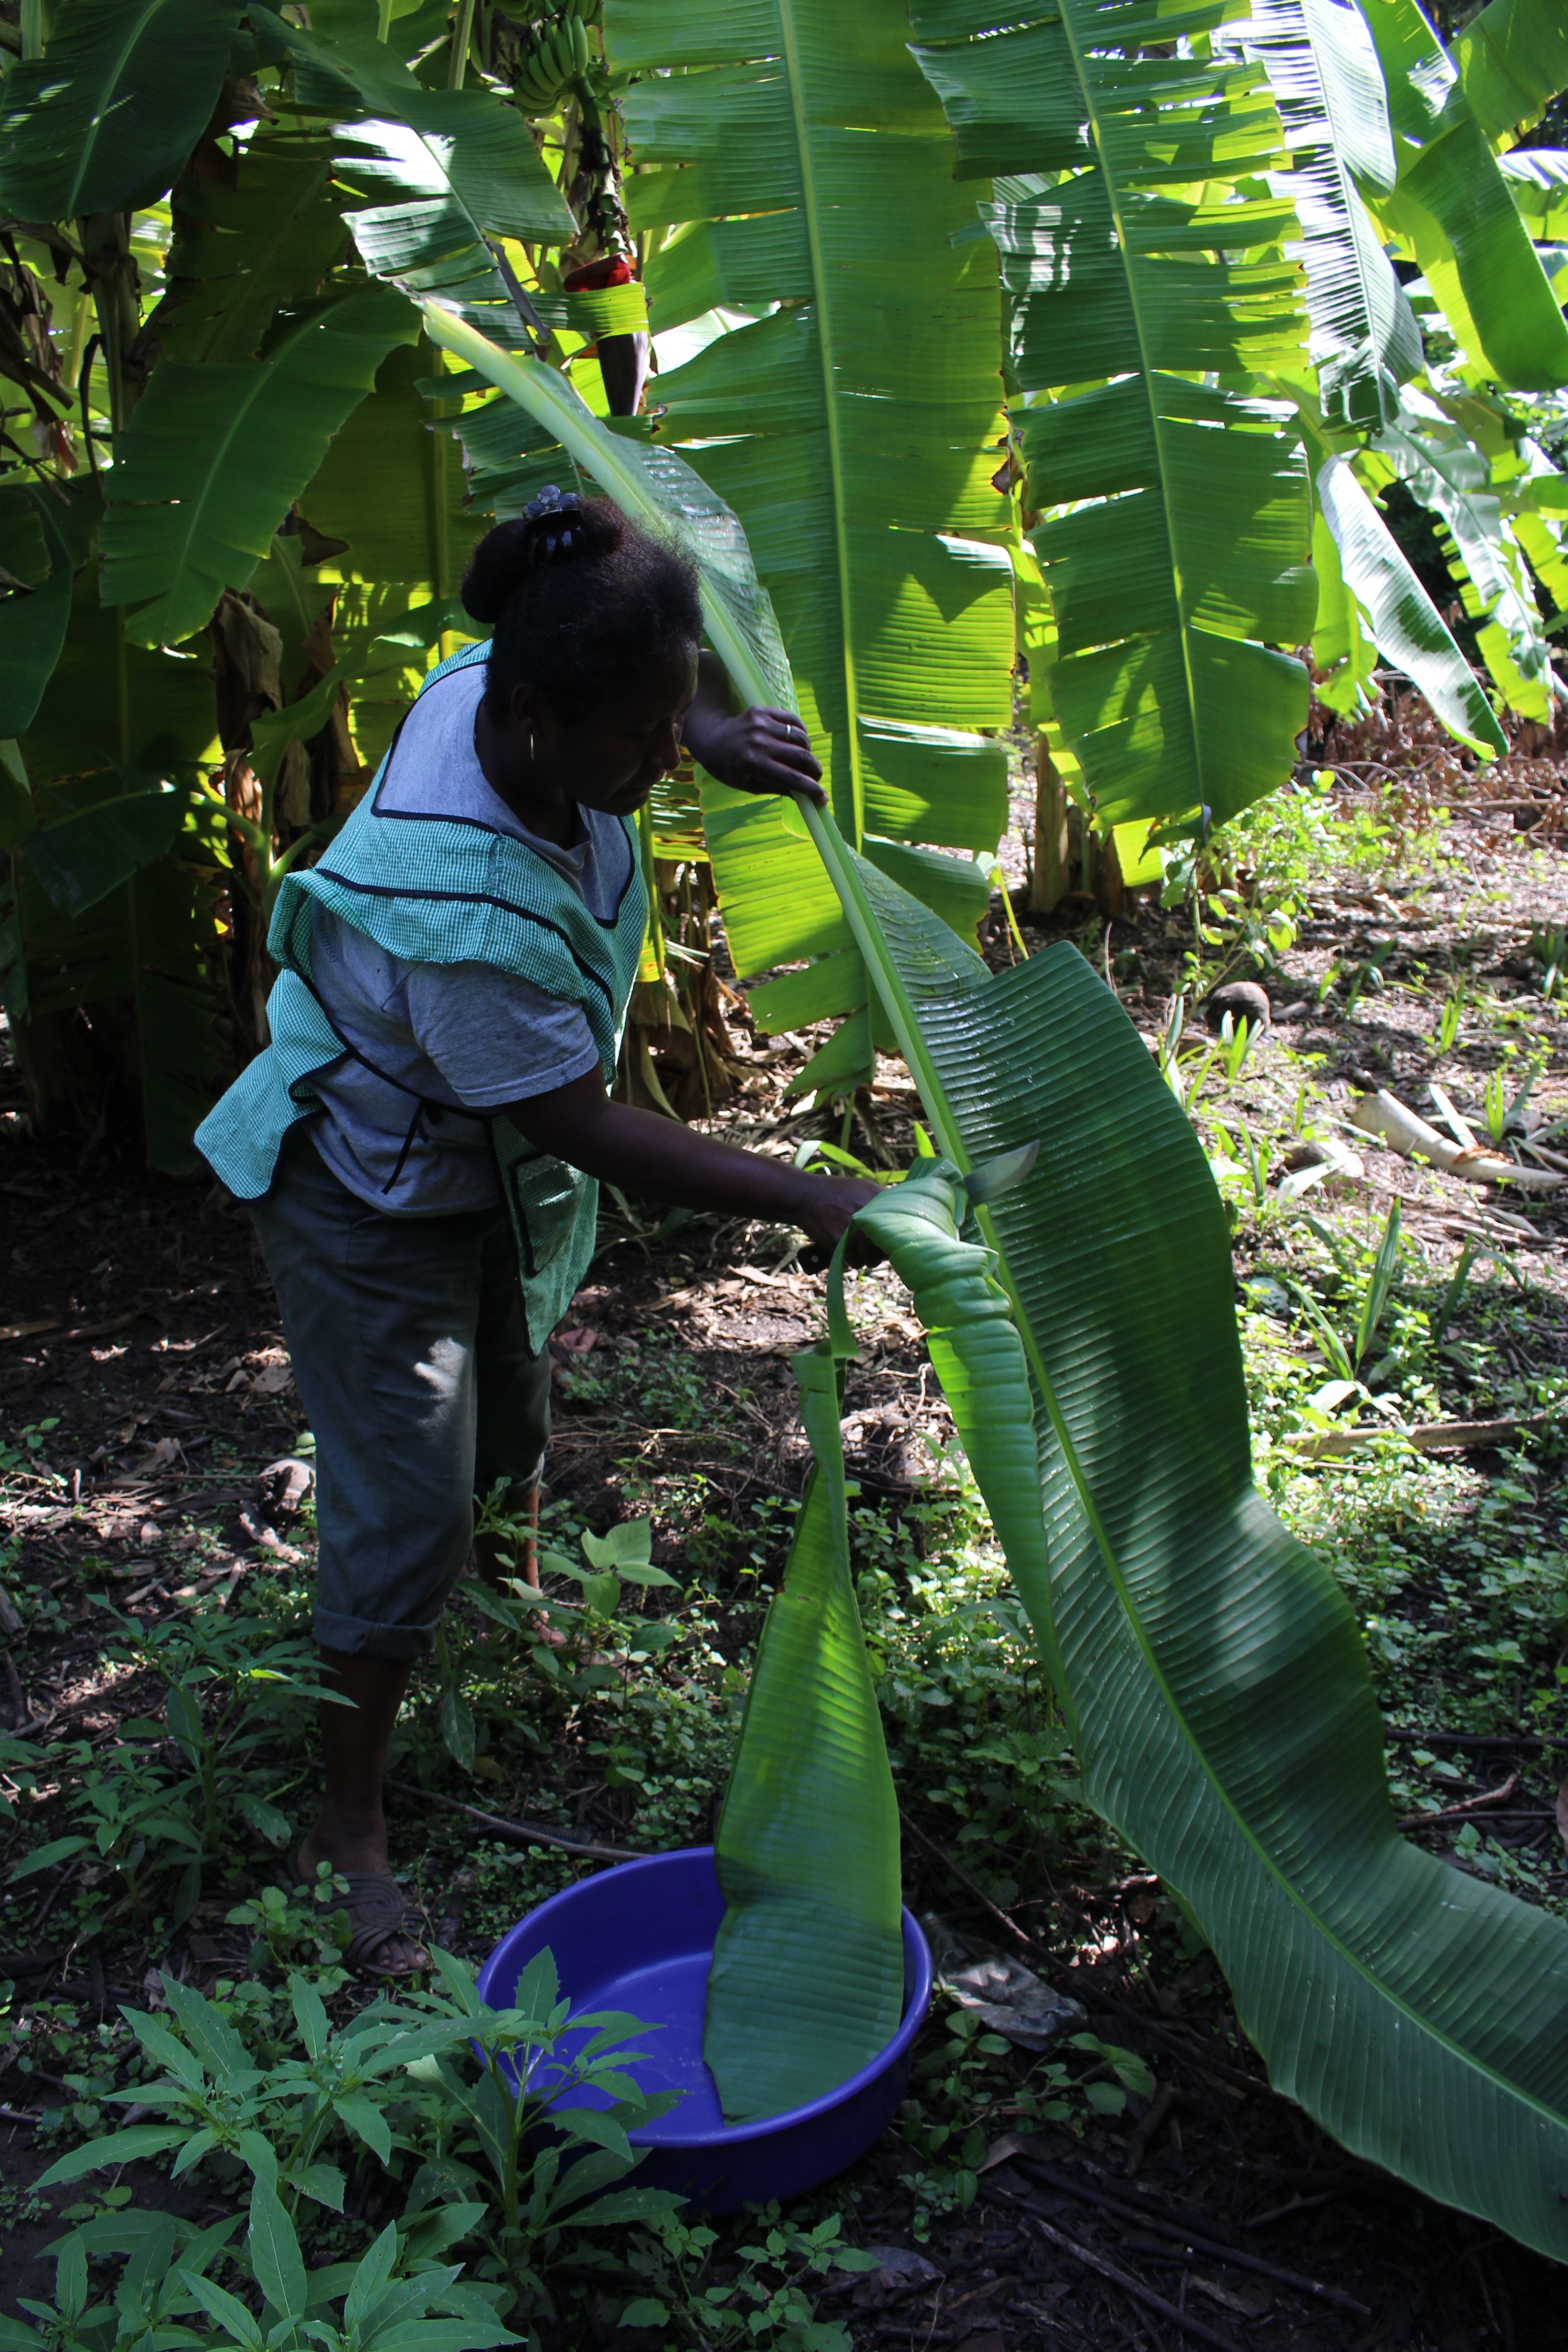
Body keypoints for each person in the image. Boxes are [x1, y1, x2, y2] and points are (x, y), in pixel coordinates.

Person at [196, 490, 879, 1975]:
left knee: (511, 1393)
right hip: (363, 1184)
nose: (659, 757)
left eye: (667, 719)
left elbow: (647, 688)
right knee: (408, 1498)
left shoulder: (506, 682)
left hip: (461, 1157)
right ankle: (347, 1820)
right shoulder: (462, 903)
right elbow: (578, 1121)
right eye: (635, 738)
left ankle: (499, 1592)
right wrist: (817, 1200)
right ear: (528, 721)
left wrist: (697, 732)